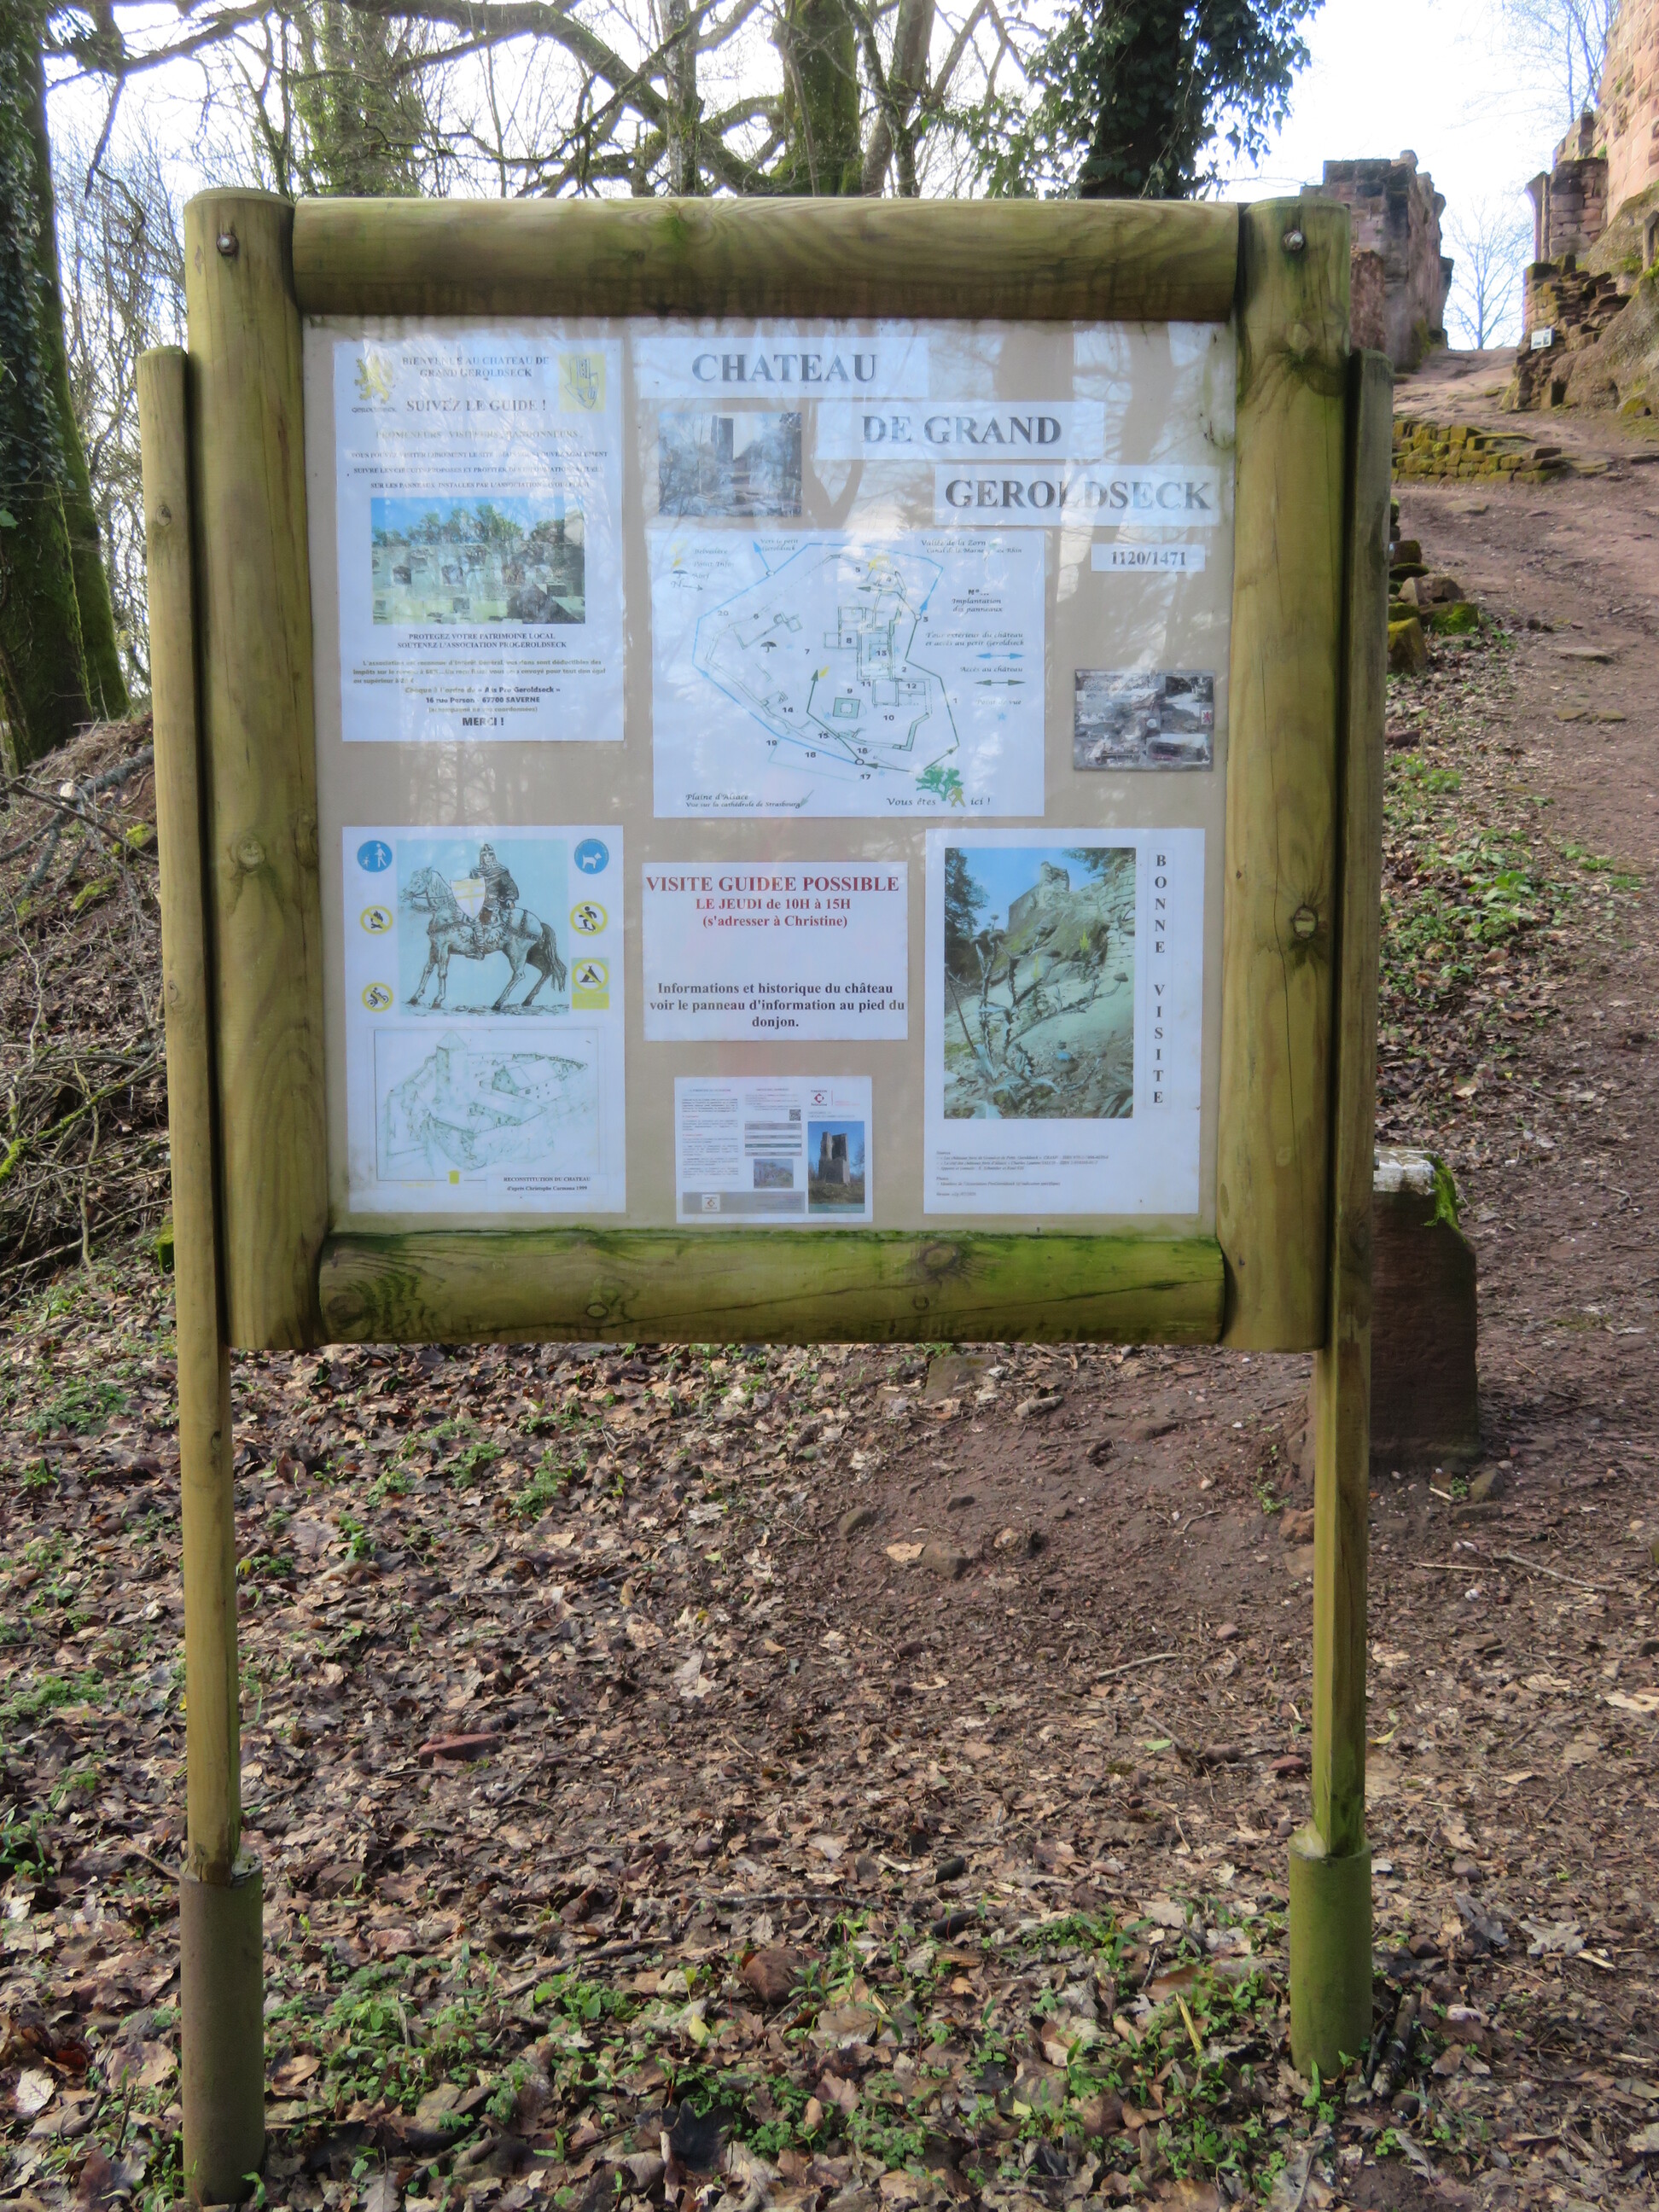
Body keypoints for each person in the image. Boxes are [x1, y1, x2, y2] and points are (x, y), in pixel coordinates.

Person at [474, 844, 520, 946]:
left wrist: (509, 899)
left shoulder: (501, 871)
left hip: (495, 903)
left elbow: (510, 887)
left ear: (493, 856)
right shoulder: (475, 872)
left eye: (490, 855)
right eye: (485, 855)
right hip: (478, 903)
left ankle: (482, 944)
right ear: (482, 858)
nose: (487, 858)